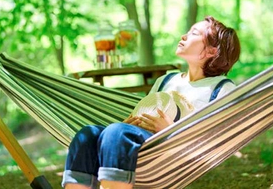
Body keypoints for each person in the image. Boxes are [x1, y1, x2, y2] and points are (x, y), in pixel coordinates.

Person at [62, 16, 241, 189]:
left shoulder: (221, 89)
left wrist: (171, 133)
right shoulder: (165, 80)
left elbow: (217, 140)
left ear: (212, 51)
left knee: (116, 132)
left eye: (194, 33)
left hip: (173, 153)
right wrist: (126, 126)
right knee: (87, 135)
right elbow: (140, 120)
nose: (184, 36)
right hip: (144, 149)